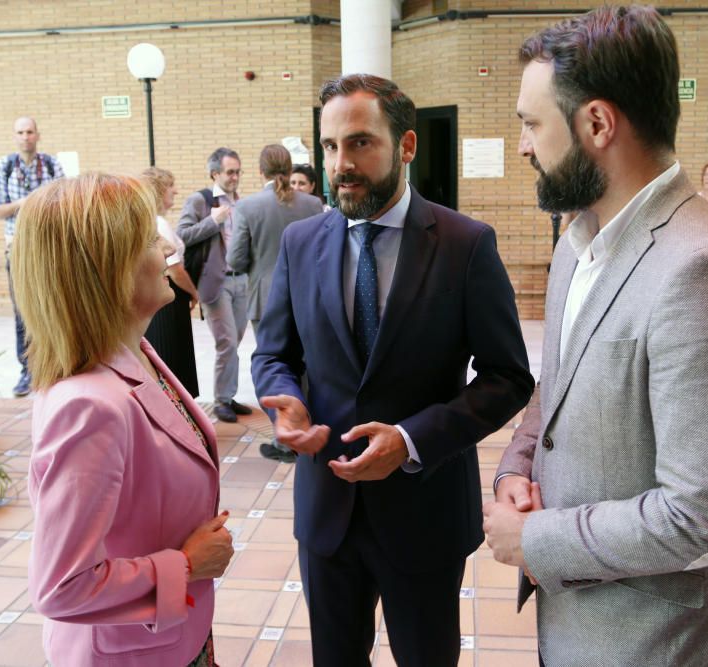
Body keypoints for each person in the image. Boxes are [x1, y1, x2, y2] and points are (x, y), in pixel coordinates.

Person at [483, 7, 708, 666]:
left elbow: (704, 516)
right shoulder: (578, 241)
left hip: (653, 643)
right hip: (578, 629)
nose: (525, 146)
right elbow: (556, 386)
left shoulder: (704, 268)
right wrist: (518, 463)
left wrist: (538, 540)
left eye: (532, 124)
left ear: (596, 123)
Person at [252, 74, 534, 667]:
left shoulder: (465, 243)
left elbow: (508, 377)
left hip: (424, 511)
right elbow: (274, 354)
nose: (341, 165)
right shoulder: (302, 243)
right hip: (327, 510)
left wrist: (410, 440)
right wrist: (283, 400)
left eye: (359, 143)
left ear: (406, 146)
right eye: (330, 147)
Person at [12, 173, 234, 666]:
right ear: (108, 268)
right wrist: (187, 565)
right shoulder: (88, 405)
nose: (166, 246)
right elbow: (61, 587)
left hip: (171, 637)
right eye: (150, 240)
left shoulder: (137, 353)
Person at [227, 145, 323, 463]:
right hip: (310, 295)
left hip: (266, 297)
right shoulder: (312, 203)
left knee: (276, 365)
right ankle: (309, 428)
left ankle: (286, 441)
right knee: (308, 365)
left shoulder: (248, 207)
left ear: (260, 171)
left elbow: (236, 259)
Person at [176, 148, 253, 422]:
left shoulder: (240, 201)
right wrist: (213, 221)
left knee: (236, 339)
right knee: (227, 341)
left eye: (238, 171)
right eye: (230, 172)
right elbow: (181, 235)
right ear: (215, 174)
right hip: (215, 283)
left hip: (241, 279)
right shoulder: (200, 201)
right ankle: (221, 400)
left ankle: (229, 396)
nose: (235, 177)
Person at [0, 116, 64, 397]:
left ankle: (56, 364)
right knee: (22, 311)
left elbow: (64, 202)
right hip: (18, 250)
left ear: (38, 135)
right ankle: (27, 371)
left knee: (53, 305)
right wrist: (32, 201)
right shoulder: (4, 165)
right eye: (20, 132)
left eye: (30, 131)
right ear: (14, 136)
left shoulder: (52, 164)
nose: (25, 137)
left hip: (49, 249)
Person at [141, 167, 200, 397]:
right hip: (170, 302)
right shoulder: (160, 223)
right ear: (158, 191)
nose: (175, 190)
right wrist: (195, 293)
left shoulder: (150, 220)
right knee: (174, 361)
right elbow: (175, 270)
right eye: (170, 185)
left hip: (160, 300)